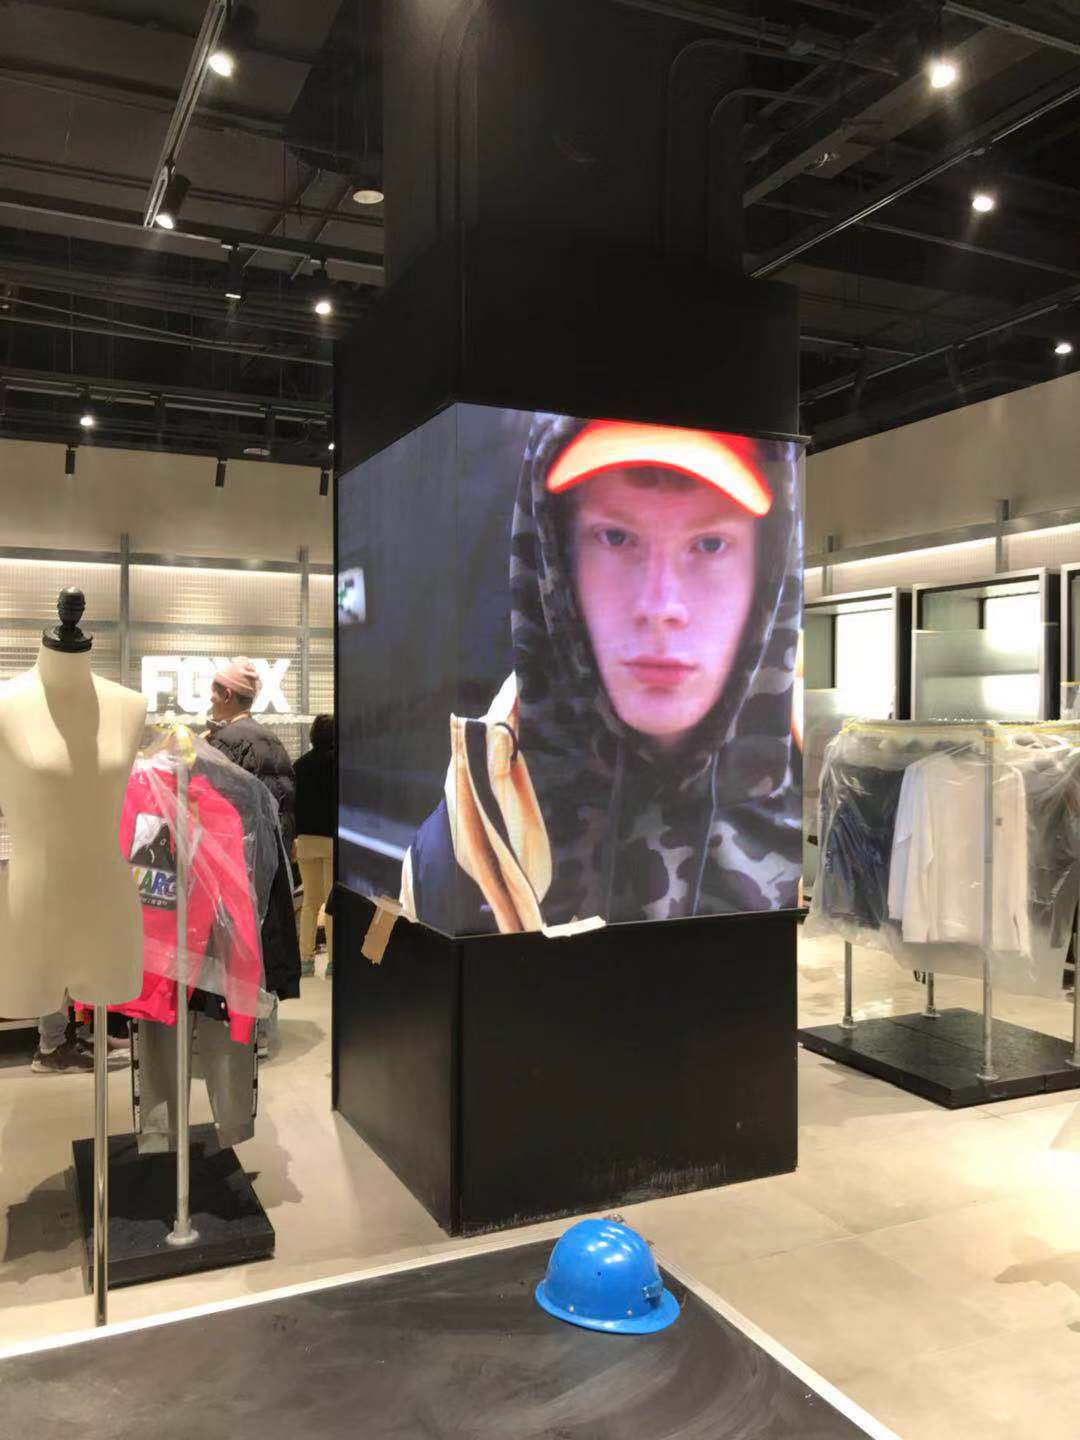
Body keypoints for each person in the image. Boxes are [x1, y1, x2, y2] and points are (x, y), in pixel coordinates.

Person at [401, 416, 802, 935]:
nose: (660, 606)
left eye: (709, 544)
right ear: (557, 558)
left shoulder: (802, 792)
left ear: (767, 567)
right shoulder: (465, 845)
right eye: (616, 537)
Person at [206, 658, 301, 1055]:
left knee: (236, 946)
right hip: (271, 859)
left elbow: (212, 804)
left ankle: (243, 1028)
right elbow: (286, 806)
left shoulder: (225, 744)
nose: (210, 700)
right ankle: (263, 1027)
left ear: (228, 695)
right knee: (266, 938)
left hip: (235, 860)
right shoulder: (274, 741)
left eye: (214, 693)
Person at [293, 714, 335, 978]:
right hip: (332, 841)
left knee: (310, 901)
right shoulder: (340, 765)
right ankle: (333, 962)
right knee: (333, 903)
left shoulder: (299, 766)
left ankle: (305, 959)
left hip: (306, 840)